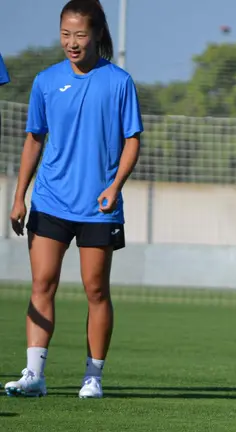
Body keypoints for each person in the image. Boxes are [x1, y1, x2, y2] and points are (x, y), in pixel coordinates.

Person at [5, 0, 143, 399]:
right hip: (49, 201)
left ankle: (93, 377)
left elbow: (132, 141)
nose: (72, 42)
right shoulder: (46, 81)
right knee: (41, 285)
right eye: (65, 34)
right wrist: (19, 196)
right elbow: (34, 139)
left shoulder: (119, 82)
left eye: (80, 34)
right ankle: (34, 375)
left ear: (97, 33)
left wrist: (114, 187)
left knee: (95, 290)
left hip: (98, 207)